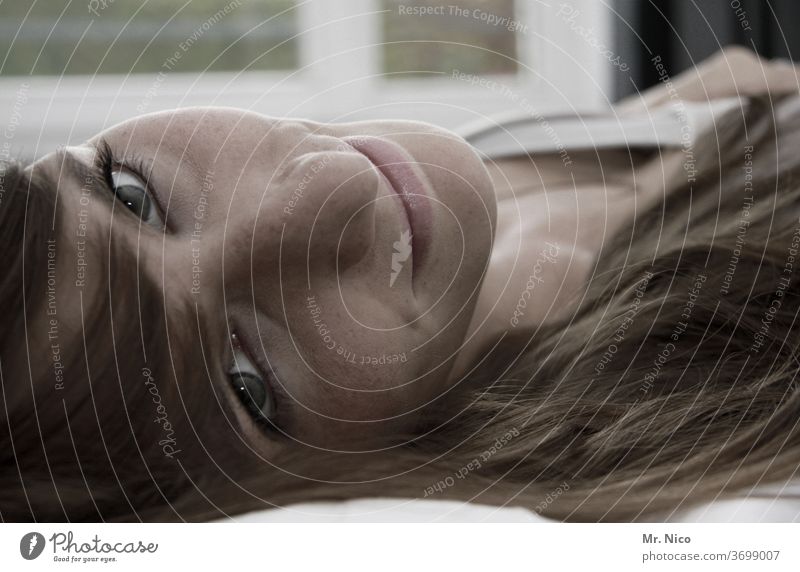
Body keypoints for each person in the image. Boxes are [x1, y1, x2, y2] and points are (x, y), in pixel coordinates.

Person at [2, 46, 799, 522]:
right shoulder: (719, 422)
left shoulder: (453, 205)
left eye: (129, 191)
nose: (328, 187)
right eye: (247, 384)